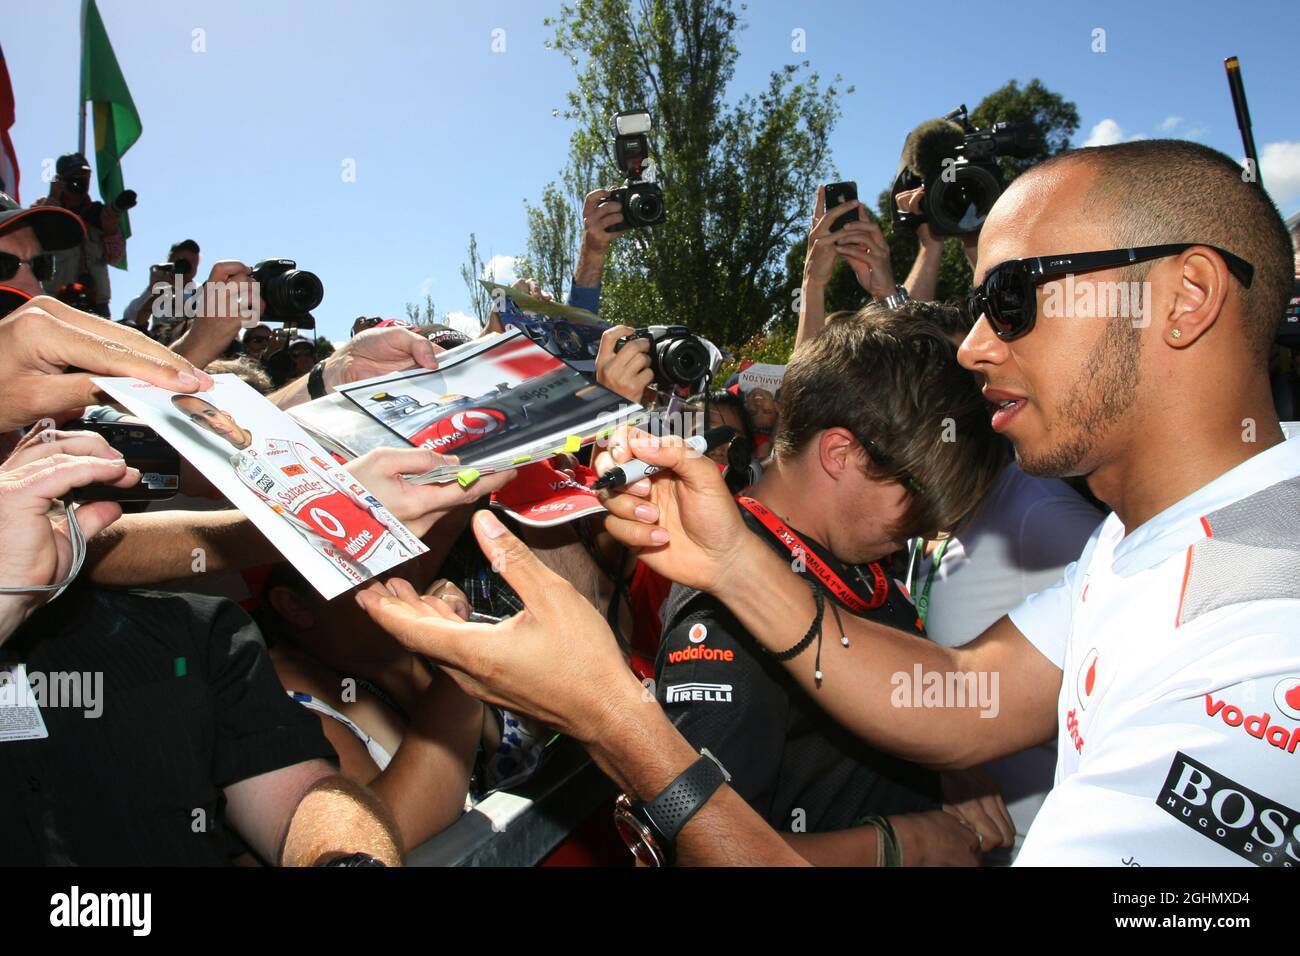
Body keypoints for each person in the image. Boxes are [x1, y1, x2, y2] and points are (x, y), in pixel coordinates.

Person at [356, 138, 1299, 867]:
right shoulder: (1166, 544)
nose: (973, 346)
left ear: (1185, 297)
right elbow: (963, 702)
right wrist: (733, 562)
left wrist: (612, 717)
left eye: (1011, 298)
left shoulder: (1260, 637)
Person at [654, 309, 1010, 864]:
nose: (926, 528)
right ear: (841, 454)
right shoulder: (725, 609)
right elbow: (705, 850)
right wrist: (897, 847)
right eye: (918, 500)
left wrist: (945, 757)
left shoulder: (852, 549)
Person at [170, 394, 425, 585]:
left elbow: (348, 486)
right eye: (198, 419)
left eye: (210, 413)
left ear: (226, 414)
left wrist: (396, 534)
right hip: (346, 561)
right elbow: (297, 525)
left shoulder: (285, 443)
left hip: (383, 538)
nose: (211, 423)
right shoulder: (239, 469)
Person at [34, 153, 133, 318]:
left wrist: (111, 229)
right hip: (57, 305)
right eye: (74, 177)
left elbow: (115, 258)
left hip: (96, 306)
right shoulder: (43, 210)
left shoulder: (99, 215)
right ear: (60, 180)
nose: (80, 181)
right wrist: (53, 199)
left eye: (84, 176)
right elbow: (33, 249)